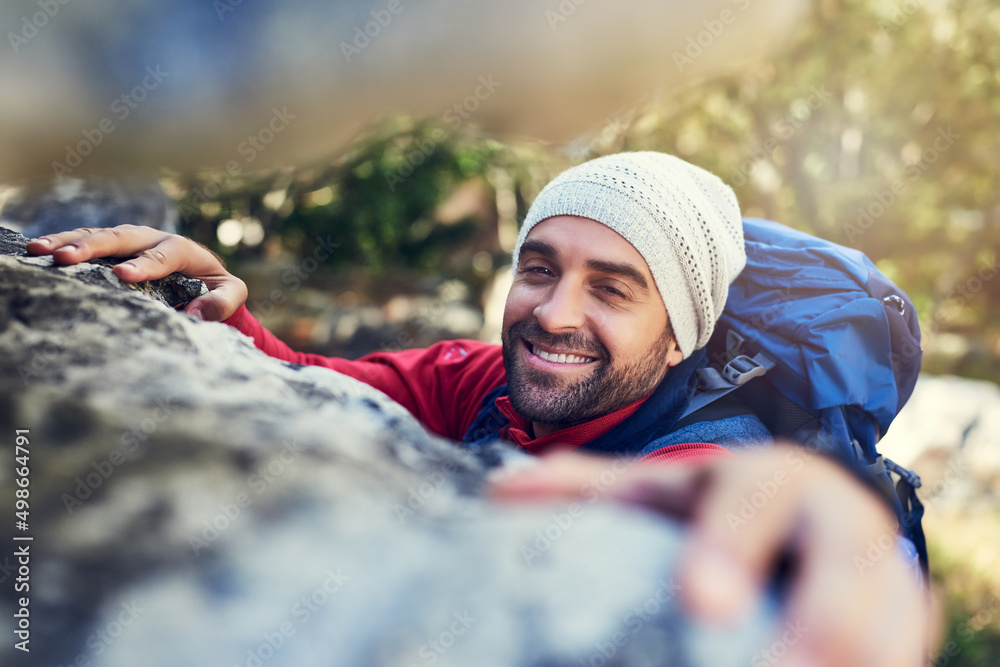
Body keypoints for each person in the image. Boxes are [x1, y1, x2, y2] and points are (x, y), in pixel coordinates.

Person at [27, 151, 936, 665]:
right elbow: (311, 378)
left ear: (680, 340)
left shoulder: (694, 469)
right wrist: (217, 306)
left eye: (613, 289)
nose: (554, 312)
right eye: (539, 268)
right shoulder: (485, 380)